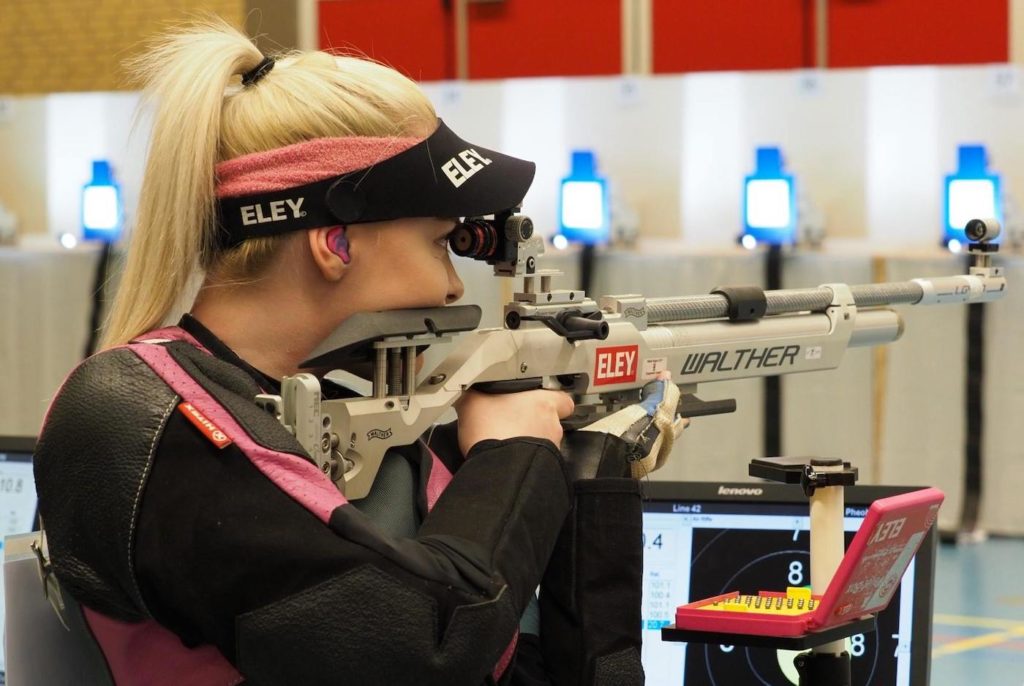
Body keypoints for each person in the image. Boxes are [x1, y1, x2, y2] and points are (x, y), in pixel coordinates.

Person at [33, 19, 684, 686]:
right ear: (335, 243)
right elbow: (423, 650)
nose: (455, 283)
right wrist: (511, 457)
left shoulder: (344, 427)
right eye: (439, 242)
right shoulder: (143, 420)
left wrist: (585, 467)